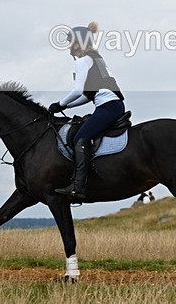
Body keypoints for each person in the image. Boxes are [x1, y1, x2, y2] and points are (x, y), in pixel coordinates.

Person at [48, 21, 125, 201]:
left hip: (108, 107)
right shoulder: (97, 59)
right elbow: (88, 95)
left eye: (71, 43)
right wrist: (66, 106)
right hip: (113, 105)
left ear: (78, 43)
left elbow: (77, 90)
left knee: (79, 138)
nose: (69, 48)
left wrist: (59, 104)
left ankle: (78, 186)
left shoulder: (84, 60)